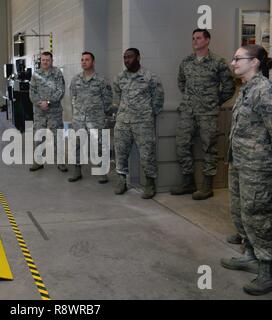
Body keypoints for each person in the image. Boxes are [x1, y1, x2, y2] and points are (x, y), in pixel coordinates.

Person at [221, 44, 272, 296]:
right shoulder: (245, 89)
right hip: (240, 162)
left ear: (255, 62)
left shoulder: (264, 91)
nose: (233, 62)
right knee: (240, 211)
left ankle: (267, 269)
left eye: (238, 58)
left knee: (258, 216)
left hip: (258, 167)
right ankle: (250, 255)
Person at [171, 29, 235, 200]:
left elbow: (229, 87)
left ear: (207, 40)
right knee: (182, 145)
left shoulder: (218, 62)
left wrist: (213, 101)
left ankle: (207, 186)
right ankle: (188, 182)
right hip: (188, 111)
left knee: (209, 148)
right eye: (193, 38)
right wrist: (191, 99)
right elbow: (181, 82)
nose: (195, 41)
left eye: (198, 38)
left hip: (208, 112)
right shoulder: (187, 61)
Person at [113, 48, 164, 199]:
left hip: (143, 123)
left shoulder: (149, 77)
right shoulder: (119, 78)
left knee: (147, 154)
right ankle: (122, 180)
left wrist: (148, 114)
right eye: (124, 57)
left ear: (138, 57)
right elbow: (116, 99)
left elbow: (158, 99)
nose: (127, 60)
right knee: (120, 152)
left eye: (130, 57)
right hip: (123, 122)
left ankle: (150, 183)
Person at [68, 52, 113, 184]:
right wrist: (77, 113)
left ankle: (102, 172)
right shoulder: (76, 79)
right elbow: (72, 97)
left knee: (99, 144)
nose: (84, 62)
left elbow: (107, 100)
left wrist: (99, 113)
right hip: (79, 119)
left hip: (96, 119)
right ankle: (77, 170)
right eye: (82, 60)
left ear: (93, 62)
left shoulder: (101, 80)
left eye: (87, 60)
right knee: (77, 144)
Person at [29, 51, 68, 173]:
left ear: (52, 61)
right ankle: (38, 161)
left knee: (58, 136)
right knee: (38, 136)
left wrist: (49, 102)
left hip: (54, 111)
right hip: (39, 111)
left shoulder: (57, 73)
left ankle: (60, 162)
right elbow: (31, 92)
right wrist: (40, 103)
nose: (45, 62)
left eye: (47, 60)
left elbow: (60, 91)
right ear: (40, 61)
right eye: (43, 60)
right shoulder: (36, 74)